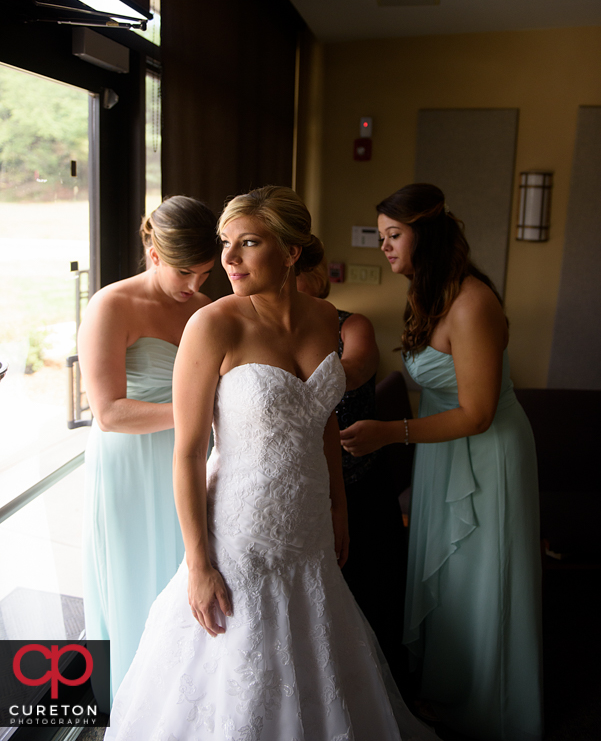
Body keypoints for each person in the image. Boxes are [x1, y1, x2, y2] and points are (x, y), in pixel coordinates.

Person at [106, 185, 439, 741]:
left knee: (318, 659)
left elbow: (323, 421)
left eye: (248, 243)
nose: (229, 260)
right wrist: (198, 564)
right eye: (225, 244)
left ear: (290, 252)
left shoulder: (325, 316)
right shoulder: (212, 325)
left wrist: (338, 503)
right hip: (240, 531)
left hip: (309, 525)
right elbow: (188, 453)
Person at [340, 183, 543, 741]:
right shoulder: (426, 294)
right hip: (441, 448)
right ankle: (450, 687)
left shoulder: (473, 300)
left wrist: (390, 433)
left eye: (393, 235)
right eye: (381, 237)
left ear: (425, 234)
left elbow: (477, 412)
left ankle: (489, 702)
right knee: (450, 577)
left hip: (485, 451)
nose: (383, 247)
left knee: (482, 577)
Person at [78, 195, 218, 704]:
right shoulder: (112, 305)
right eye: (185, 272)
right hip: (129, 468)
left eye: (205, 273)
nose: (195, 286)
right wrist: (199, 415)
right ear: (154, 253)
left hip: (188, 465)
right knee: (136, 582)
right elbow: (110, 412)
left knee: (183, 583)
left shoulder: (206, 312)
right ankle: (130, 708)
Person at [297, 260, 408, 685]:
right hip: (303, 485)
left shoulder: (350, 325)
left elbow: (357, 369)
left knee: (368, 589)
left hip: (358, 481)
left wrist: (282, 374)